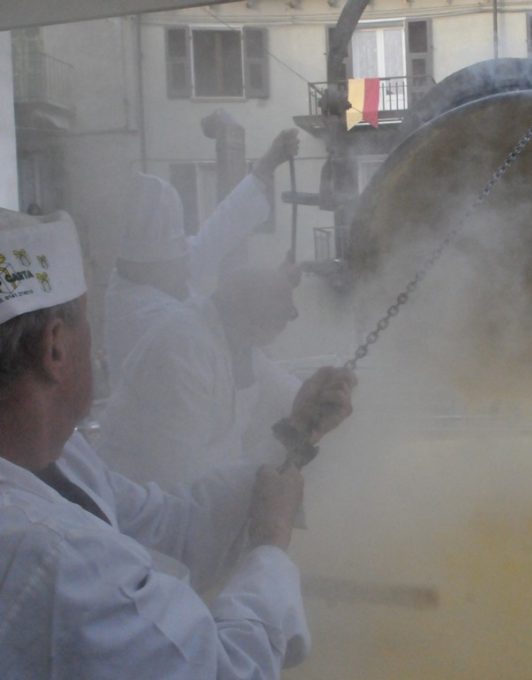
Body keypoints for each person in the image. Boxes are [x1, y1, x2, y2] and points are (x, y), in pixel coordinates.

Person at [0, 207, 346, 678]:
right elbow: (223, 670)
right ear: (55, 346)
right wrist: (269, 547)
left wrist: (296, 435)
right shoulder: (58, 558)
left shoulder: (55, 455)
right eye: (87, 321)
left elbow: (163, 521)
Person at [98, 265, 351, 487]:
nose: (289, 318)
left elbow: (286, 393)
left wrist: (327, 398)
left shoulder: (237, 341)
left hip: (200, 505)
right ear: (245, 307)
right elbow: (178, 482)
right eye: (279, 309)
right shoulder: (183, 348)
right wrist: (290, 439)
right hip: (147, 520)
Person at [104, 129, 299, 387]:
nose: (187, 263)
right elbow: (221, 329)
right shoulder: (145, 317)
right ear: (148, 267)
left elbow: (215, 234)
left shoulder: (154, 275)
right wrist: (272, 288)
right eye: (178, 259)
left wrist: (266, 165)